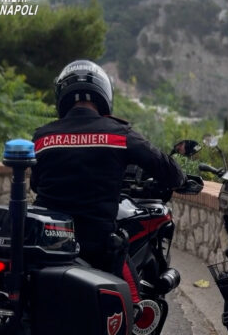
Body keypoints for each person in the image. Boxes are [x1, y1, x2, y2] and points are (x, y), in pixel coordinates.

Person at [29, 59, 185, 320]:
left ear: (63, 97)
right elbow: (168, 170)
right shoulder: (119, 133)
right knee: (134, 310)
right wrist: (178, 177)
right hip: (96, 245)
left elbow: (36, 183)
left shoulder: (42, 136)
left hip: (47, 242)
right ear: (103, 95)